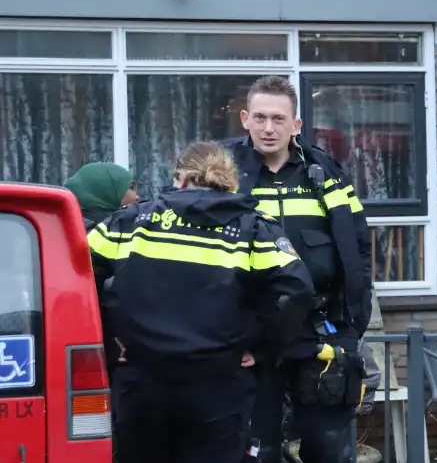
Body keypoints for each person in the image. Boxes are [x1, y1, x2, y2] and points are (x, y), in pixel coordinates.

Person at [87, 141, 315, 463]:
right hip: (218, 386)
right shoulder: (254, 228)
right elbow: (297, 291)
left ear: (180, 177)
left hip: (142, 382)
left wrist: (111, 340)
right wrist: (259, 345)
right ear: (230, 179)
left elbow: (77, 271)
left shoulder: (131, 221)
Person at [223, 76, 373, 463]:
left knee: (330, 452)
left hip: (319, 334)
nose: (269, 128)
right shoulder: (223, 174)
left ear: (297, 125)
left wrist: (352, 327)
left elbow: (357, 250)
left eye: (278, 118)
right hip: (249, 339)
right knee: (256, 452)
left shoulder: (325, 172)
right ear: (245, 119)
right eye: (260, 117)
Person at [63, 162, 140, 461]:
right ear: (106, 194)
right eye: (130, 188)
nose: (136, 196)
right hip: (104, 358)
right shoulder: (101, 236)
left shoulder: (69, 227)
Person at [64, 162, 138, 230]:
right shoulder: (106, 234)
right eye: (131, 188)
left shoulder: (63, 229)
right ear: (107, 192)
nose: (137, 197)